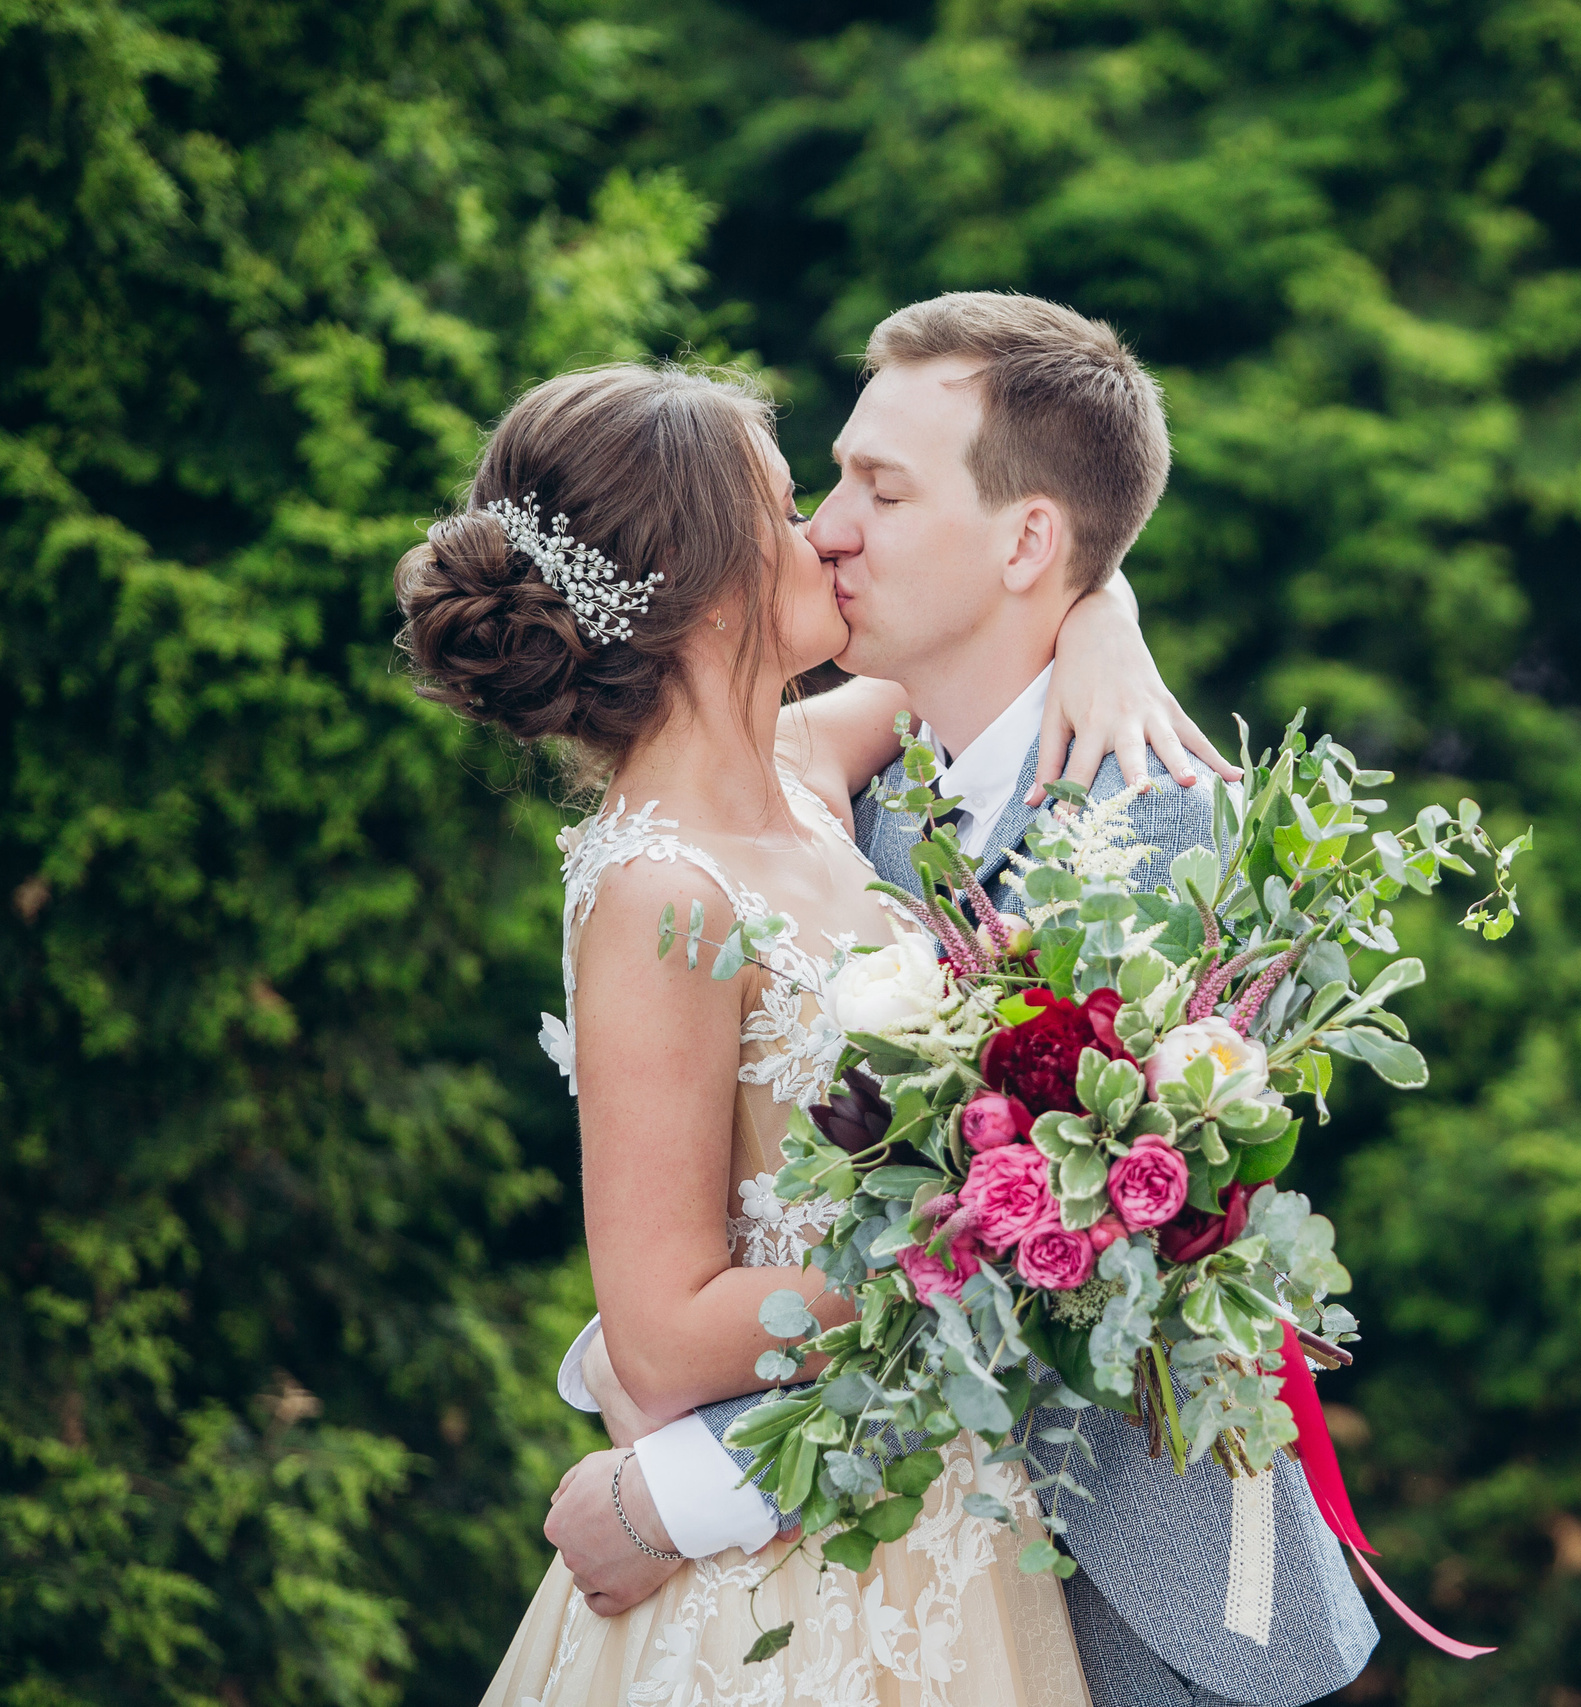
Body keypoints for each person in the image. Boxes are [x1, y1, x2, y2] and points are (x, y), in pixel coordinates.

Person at [560, 294, 1380, 1707]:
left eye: (879, 488)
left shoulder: (1173, 845)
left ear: (1024, 540)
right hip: (880, 1600)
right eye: (829, 482)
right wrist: (1099, 602)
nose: (824, 529)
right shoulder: (835, 803)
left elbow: (1053, 1279)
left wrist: (691, 1487)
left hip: (1131, 1602)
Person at [394, 358, 1221, 1706]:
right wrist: (984, 1239)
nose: (826, 532)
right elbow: (656, 1337)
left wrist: (1103, 607)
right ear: (706, 578)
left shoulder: (797, 771)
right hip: (789, 1586)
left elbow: (992, 628)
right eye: (788, 510)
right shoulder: (663, 890)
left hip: (953, 1528)